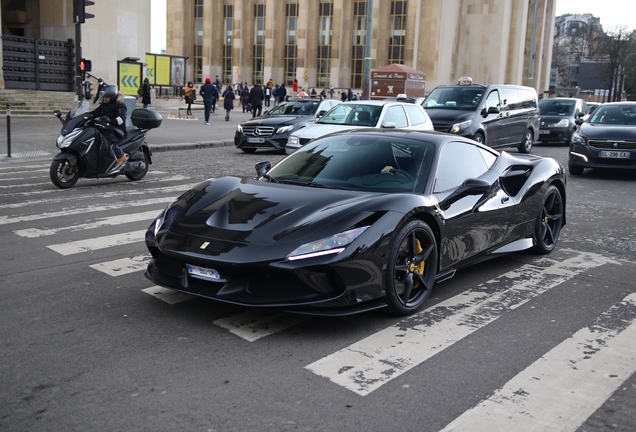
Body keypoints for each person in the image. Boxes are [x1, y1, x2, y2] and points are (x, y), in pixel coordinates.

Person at [89, 85, 127, 167]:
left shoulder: (120, 106)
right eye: (104, 97)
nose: (104, 99)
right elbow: (94, 113)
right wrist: (84, 116)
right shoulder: (104, 105)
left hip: (117, 130)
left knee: (105, 137)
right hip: (105, 127)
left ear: (112, 97)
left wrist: (110, 120)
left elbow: (121, 119)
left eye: (107, 97)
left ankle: (120, 156)